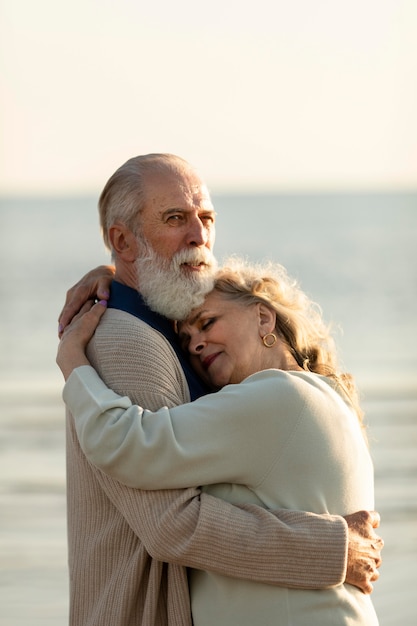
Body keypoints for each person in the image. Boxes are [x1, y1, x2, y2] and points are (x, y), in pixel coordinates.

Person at [57, 153, 383, 626]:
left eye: (206, 218)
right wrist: (334, 547)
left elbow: (137, 448)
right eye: (175, 218)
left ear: (263, 316)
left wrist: (114, 276)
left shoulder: (269, 393)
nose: (199, 236)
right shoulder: (127, 339)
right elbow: (168, 522)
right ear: (122, 240)